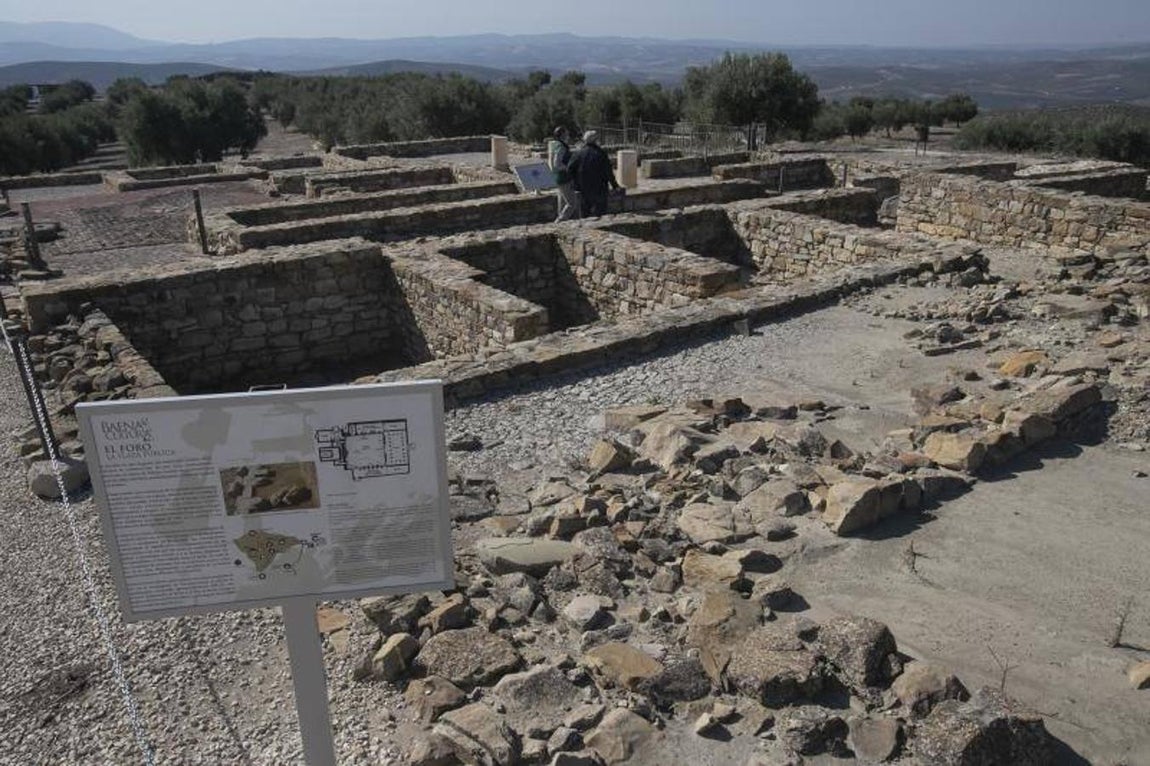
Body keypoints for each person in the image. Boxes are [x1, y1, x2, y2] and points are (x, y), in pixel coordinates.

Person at [568, 130, 620, 217]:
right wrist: (615, 185)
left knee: (585, 213)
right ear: (595, 140)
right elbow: (608, 171)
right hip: (600, 188)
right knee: (600, 214)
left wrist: (575, 184)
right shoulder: (601, 153)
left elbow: (569, 169)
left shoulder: (578, 153)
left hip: (584, 187)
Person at [547, 126, 578, 222]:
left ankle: (561, 222)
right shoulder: (561, 147)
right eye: (567, 134)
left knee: (562, 201)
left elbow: (551, 163)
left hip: (557, 177)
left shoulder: (553, 144)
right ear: (562, 135)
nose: (568, 136)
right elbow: (557, 164)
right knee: (572, 203)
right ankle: (559, 221)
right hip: (563, 177)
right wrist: (568, 167)